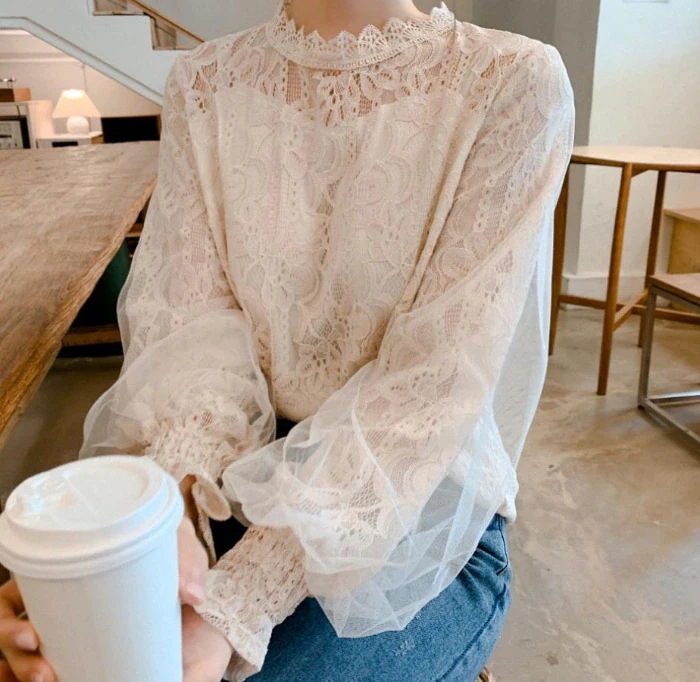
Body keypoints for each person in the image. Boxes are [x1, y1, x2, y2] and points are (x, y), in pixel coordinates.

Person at [0, 0, 575, 680]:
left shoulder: (510, 80)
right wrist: (165, 516)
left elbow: (427, 391)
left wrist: (234, 605)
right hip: (233, 487)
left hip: (418, 522)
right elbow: (189, 331)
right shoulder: (205, 82)